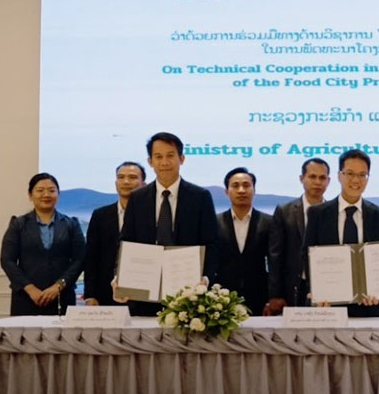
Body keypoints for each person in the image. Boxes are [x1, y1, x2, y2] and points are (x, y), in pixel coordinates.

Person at [118, 132, 219, 316]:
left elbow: (211, 243)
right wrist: (120, 276)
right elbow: (127, 241)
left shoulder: (200, 197)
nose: (164, 162)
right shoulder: (138, 198)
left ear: (181, 159)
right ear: (150, 161)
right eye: (158, 157)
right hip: (144, 292)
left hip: (188, 295)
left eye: (170, 155)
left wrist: (206, 278)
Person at [303, 148, 379, 317]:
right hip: (328, 307)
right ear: (339, 176)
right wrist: (316, 290)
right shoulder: (318, 214)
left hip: (370, 307)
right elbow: (308, 255)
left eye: (362, 175)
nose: (356, 180)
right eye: (350, 173)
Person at [0, 173, 85, 315]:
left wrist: (59, 285)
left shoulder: (71, 224)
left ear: (58, 194)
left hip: (62, 296)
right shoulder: (18, 224)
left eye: (51, 190)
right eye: (40, 190)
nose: (46, 194)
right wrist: (29, 288)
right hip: (26, 298)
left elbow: (79, 259)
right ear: (30, 195)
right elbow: (7, 260)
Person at [266, 157, 331, 314]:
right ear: (302, 178)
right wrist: (275, 294)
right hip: (293, 288)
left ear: (329, 181)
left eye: (322, 178)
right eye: (312, 177)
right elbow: (275, 255)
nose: (317, 182)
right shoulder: (285, 211)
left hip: (328, 287)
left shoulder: (334, 212)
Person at [84, 161, 145, 306]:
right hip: (105, 294)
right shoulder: (100, 215)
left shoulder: (152, 215)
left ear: (144, 184)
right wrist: (90, 295)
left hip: (143, 293)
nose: (126, 182)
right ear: (115, 183)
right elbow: (91, 257)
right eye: (121, 177)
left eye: (132, 177)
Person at [215, 167, 271, 314]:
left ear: (254, 190)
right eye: (235, 186)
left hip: (260, 298)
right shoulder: (214, 222)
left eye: (246, 185)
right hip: (221, 300)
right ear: (227, 192)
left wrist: (272, 298)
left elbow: (275, 263)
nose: (241, 190)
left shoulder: (269, 222)